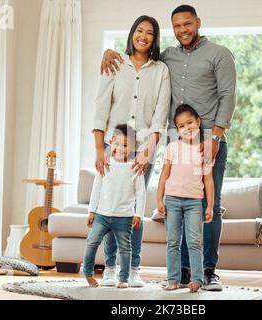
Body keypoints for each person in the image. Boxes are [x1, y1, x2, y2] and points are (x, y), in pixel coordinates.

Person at [101, 5, 237, 291]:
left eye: (187, 24)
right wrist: (108, 53)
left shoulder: (220, 54)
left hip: (208, 140)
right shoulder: (166, 59)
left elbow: (227, 95)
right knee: (178, 204)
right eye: (177, 26)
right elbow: (140, 61)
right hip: (176, 143)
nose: (183, 30)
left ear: (198, 22)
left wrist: (215, 136)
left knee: (207, 205)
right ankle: (184, 272)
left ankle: (209, 271)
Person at [92, 15, 171, 287]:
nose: (143, 36)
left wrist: (149, 151)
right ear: (132, 33)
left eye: (150, 32)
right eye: (139, 30)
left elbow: (161, 115)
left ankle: (133, 267)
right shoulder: (115, 63)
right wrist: (99, 150)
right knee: (110, 207)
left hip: (142, 149)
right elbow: (101, 109)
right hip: (112, 147)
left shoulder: (161, 70)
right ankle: (111, 267)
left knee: (133, 209)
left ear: (155, 38)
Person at [157, 104, 214, 293]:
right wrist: (159, 200)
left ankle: (197, 279)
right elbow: (164, 175)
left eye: (190, 122)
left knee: (194, 241)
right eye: (181, 126)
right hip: (172, 200)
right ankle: (172, 279)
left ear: (198, 122)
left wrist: (210, 206)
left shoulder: (203, 150)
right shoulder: (172, 147)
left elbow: (208, 180)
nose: (187, 127)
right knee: (173, 241)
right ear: (177, 130)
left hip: (194, 203)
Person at [83, 125, 146, 288]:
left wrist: (138, 214)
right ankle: (90, 273)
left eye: (125, 145)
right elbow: (96, 188)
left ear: (133, 148)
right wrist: (92, 210)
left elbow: (141, 193)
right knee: (92, 242)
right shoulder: (104, 164)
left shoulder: (135, 168)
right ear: (110, 142)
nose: (119, 148)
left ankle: (124, 279)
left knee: (125, 248)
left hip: (124, 217)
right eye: (116, 143)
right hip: (102, 215)